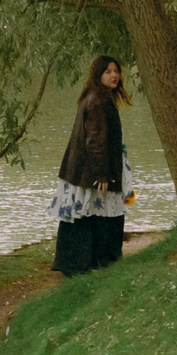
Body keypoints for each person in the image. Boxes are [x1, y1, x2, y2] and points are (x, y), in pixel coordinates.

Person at [51, 55, 131, 275]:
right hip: (92, 171)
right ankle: (97, 261)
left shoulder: (95, 96)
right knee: (96, 213)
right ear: (98, 75)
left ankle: (82, 262)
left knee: (85, 214)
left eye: (116, 71)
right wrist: (102, 174)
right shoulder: (99, 101)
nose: (114, 75)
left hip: (83, 170)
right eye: (108, 71)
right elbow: (95, 140)